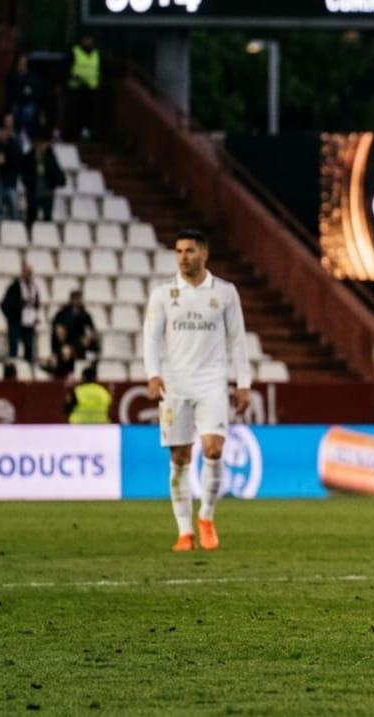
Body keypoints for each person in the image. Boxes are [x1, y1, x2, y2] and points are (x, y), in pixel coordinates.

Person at [142, 229, 252, 553]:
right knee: (180, 457)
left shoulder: (225, 292)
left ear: (204, 253)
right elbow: (152, 337)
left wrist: (243, 383)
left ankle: (206, 517)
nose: (183, 257)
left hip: (212, 383)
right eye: (178, 251)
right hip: (175, 385)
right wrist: (153, 374)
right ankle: (184, 531)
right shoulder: (163, 294)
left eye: (189, 251)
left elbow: (238, 339)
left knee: (213, 449)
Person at [0, 261, 42, 365]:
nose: (28, 275)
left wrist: (36, 316)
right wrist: (12, 316)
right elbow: (4, 304)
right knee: (14, 350)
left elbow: (36, 304)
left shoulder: (34, 287)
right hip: (16, 323)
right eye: (27, 272)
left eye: (30, 273)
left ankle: (28, 368)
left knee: (29, 350)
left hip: (29, 324)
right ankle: (14, 368)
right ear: (22, 273)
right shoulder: (14, 287)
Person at [20, 135, 64, 224]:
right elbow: (24, 174)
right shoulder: (28, 158)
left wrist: (51, 179)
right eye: (39, 144)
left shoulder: (51, 158)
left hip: (47, 193)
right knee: (31, 218)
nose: (41, 146)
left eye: (43, 144)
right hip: (33, 192)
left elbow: (58, 174)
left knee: (47, 219)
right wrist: (29, 185)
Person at [68, 33, 101, 139]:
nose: (88, 42)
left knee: (89, 113)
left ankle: (88, 132)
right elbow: (66, 67)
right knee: (75, 112)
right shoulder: (74, 52)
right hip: (76, 88)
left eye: (90, 39)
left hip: (91, 89)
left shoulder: (97, 53)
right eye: (86, 39)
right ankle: (73, 133)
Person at [51, 289, 99, 360]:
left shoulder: (84, 314)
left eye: (79, 299)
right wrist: (59, 328)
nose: (77, 301)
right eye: (75, 299)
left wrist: (89, 337)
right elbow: (54, 323)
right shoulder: (63, 312)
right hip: (65, 339)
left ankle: (91, 360)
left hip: (78, 340)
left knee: (91, 343)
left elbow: (92, 328)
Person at [5, 53, 41, 142]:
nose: (22, 64)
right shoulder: (12, 76)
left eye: (24, 62)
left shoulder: (32, 77)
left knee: (28, 112)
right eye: (21, 62)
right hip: (16, 103)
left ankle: (26, 134)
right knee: (14, 113)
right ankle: (16, 135)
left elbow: (36, 92)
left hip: (28, 103)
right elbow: (9, 93)